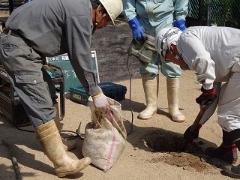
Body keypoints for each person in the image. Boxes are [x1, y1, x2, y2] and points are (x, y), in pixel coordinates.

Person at [0, 0, 123, 177]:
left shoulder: (79, 7)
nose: (104, 26)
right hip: (18, 48)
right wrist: (95, 92)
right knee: (39, 101)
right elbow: (80, 55)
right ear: (101, 11)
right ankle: (61, 163)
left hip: (26, 46)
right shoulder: (81, 13)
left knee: (48, 92)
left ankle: (59, 142)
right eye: (107, 22)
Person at [156, 26, 240, 178]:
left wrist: (207, 90)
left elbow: (203, 61)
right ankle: (227, 150)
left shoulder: (185, 39)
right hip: (236, 65)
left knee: (229, 115)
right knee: (228, 111)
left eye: (170, 59)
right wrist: (197, 126)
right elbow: (212, 99)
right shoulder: (198, 47)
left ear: (171, 47)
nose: (175, 64)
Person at [123, 0, 188, 122]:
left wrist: (180, 21)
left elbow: (181, 3)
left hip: (168, 26)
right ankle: (151, 106)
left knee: (173, 66)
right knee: (147, 66)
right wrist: (134, 23)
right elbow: (129, 4)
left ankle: (173, 108)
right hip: (144, 27)